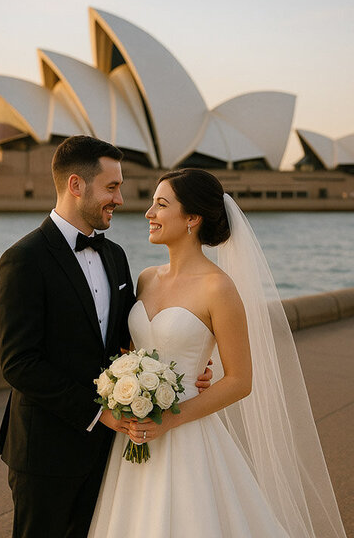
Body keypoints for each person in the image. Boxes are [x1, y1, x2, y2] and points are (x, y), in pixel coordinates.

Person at [88, 168, 347, 538]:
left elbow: (241, 381)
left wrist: (170, 420)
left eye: (161, 205)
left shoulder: (218, 288)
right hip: (136, 430)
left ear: (192, 218)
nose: (148, 213)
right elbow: (130, 351)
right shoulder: (146, 277)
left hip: (186, 432)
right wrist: (123, 388)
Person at [0, 135, 214, 538]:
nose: (121, 199)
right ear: (76, 185)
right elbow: (18, 363)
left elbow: (124, 342)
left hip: (108, 454)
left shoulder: (115, 256)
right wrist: (102, 415)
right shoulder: (23, 259)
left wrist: (187, 361)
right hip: (46, 451)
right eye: (112, 187)